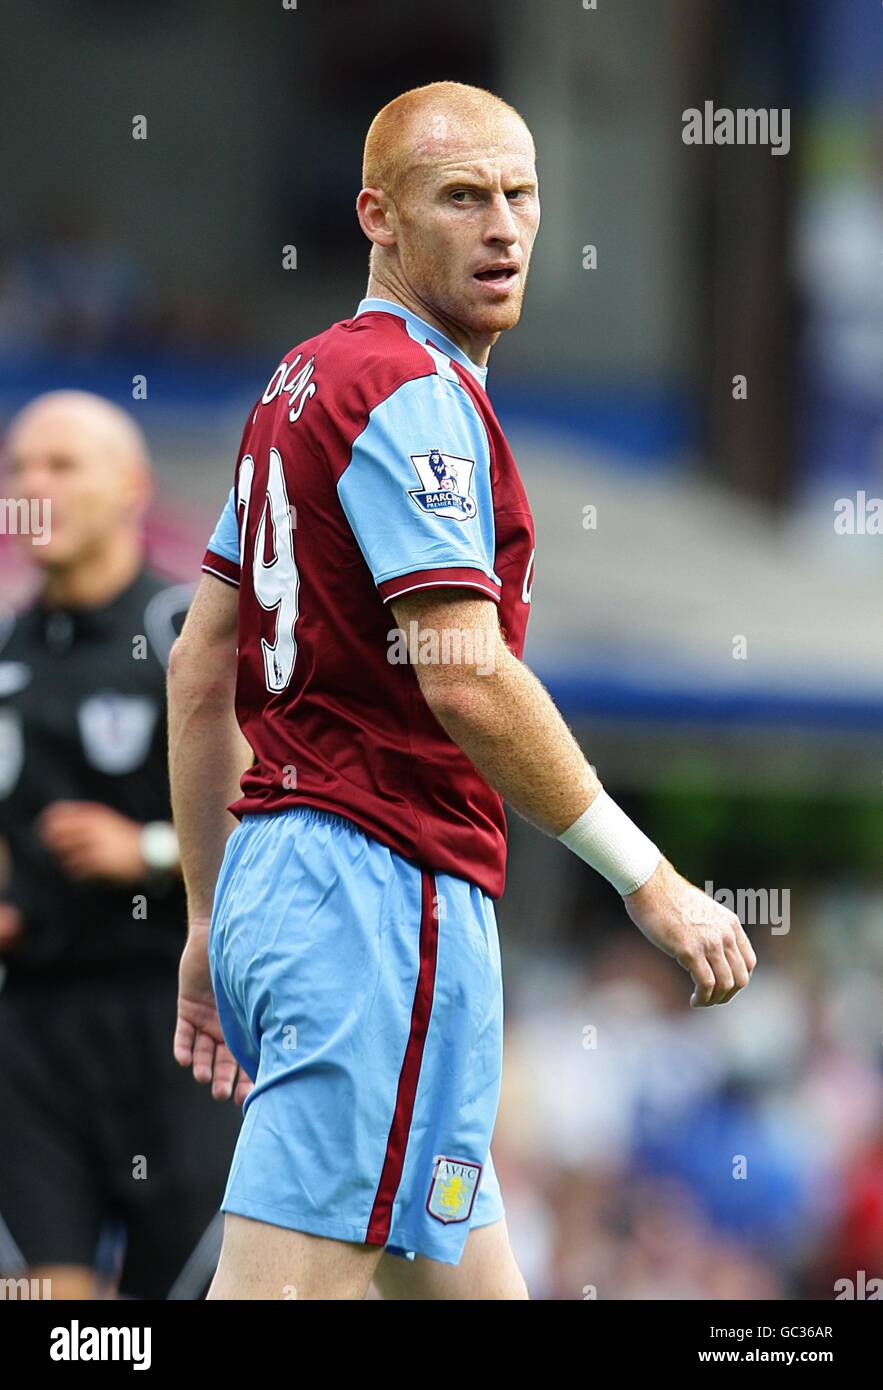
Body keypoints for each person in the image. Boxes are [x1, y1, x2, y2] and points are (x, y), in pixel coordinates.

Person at [169, 80, 756, 1302]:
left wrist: (209, 919)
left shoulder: (300, 381)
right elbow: (466, 673)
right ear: (377, 216)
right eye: (460, 197)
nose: (502, 227)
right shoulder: (410, 391)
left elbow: (196, 667)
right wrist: (646, 877)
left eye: (520, 194)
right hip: (376, 889)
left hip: (297, 879)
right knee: (286, 1292)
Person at [0, 390, 245, 1299]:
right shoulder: (5, 652)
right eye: (19, 467)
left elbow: (272, 804)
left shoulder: (185, 634)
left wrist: (144, 851)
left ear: (133, 488)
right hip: (31, 1033)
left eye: (61, 466)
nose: (32, 486)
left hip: (178, 1027)